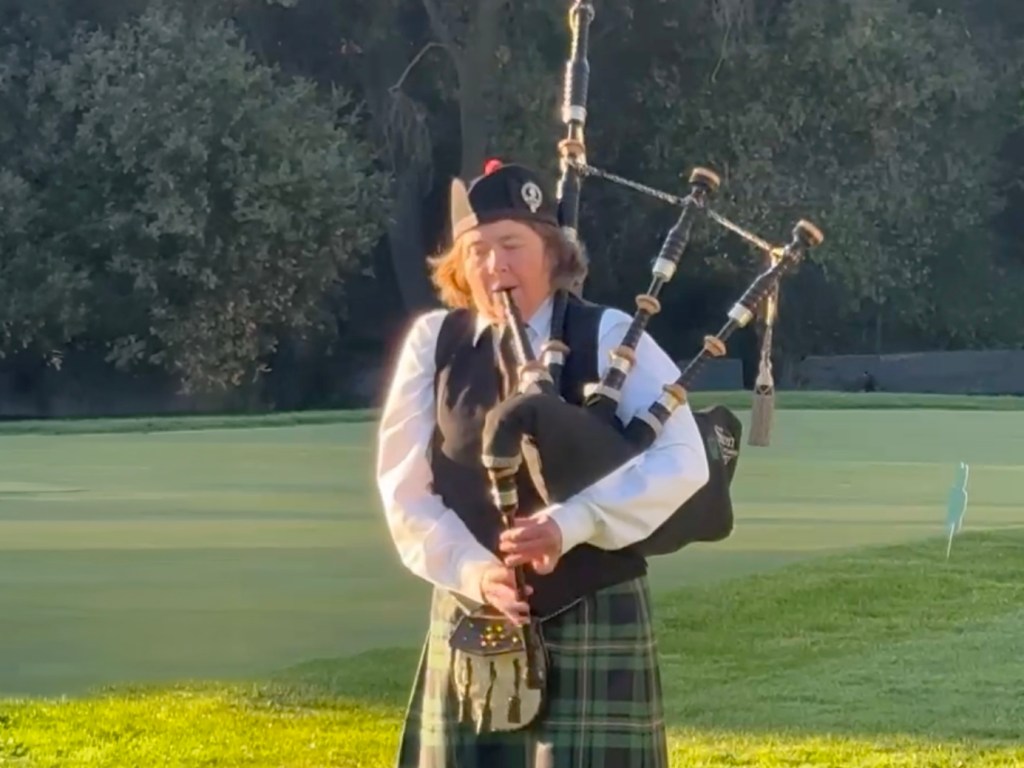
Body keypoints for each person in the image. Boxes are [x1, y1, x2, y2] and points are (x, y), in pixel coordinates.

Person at [375, 158, 710, 768]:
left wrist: (570, 523)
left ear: (553, 254)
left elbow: (684, 458)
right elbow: (404, 488)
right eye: (476, 251)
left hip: (591, 609)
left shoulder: (608, 334)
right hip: (475, 614)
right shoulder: (436, 342)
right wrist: (475, 572)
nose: (493, 265)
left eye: (512, 245)